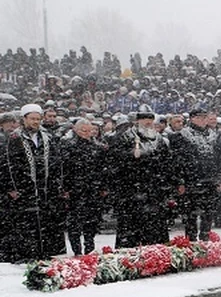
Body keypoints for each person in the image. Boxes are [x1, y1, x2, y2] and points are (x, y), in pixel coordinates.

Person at [1, 103, 65, 262]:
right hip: (23, 186)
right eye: (32, 119)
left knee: (46, 219)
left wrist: (57, 183)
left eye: (38, 119)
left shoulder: (48, 137)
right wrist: (12, 187)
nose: (36, 122)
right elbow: (7, 164)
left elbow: (56, 161)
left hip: (45, 186)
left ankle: (45, 251)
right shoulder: (13, 138)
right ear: (24, 119)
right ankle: (25, 253)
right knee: (25, 221)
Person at [113, 108, 175, 247]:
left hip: (154, 186)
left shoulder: (159, 139)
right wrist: (130, 155)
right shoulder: (126, 136)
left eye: (150, 121)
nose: (148, 123)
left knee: (154, 221)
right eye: (145, 121)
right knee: (132, 222)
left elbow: (167, 161)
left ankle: (156, 249)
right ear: (138, 121)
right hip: (133, 186)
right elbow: (116, 159)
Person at [169, 107, 221, 241]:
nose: (203, 120)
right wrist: (180, 181)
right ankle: (191, 240)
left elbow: (219, 159)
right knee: (190, 214)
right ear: (192, 119)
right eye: (200, 118)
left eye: (205, 117)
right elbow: (177, 161)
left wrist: (219, 178)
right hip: (190, 180)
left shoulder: (213, 135)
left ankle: (205, 238)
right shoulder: (181, 135)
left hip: (209, 179)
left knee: (209, 212)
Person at [60, 118, 106, 255]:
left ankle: (89, 247)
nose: (86, 133)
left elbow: (102, 169)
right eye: (83, 130)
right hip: (75, 188)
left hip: (93, 188)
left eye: (89, 130)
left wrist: (103, 187)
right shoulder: (68, 145)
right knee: (75, 221)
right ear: (75, 130)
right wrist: (65, 188)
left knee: (91, 221)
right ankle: (77, 249)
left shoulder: (97, 146)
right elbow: (64, 169)